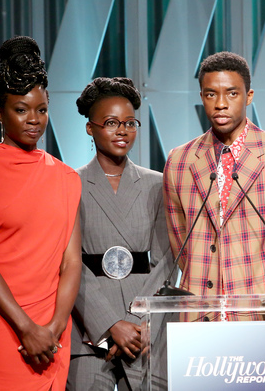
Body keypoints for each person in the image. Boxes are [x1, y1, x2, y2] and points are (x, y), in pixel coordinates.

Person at [0, 36, 82, 390]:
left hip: (53, 328)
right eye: (21, 109)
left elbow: (71, 263)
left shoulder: (67, 177)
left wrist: (55, 326)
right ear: (0, 112)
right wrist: (26, 328)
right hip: (0, 324)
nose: (34, 120)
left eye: (41, 110)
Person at [163, 51, 265, 308]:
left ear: (248, 96)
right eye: (211, 94)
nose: (221, 103)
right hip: (205, 311)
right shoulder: (180, 161)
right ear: (202, 96)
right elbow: (181, 244)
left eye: (232, 93)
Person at [67, 77, 174, 391]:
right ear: (90, 128)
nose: (122, 130)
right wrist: (111, 325)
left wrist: (139, 325)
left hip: (145, 330)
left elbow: (168, 261)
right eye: (111, 122)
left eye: (130, 122)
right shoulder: (70, 184)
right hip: (89, 328)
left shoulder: (157, 184)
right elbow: (67, 262)